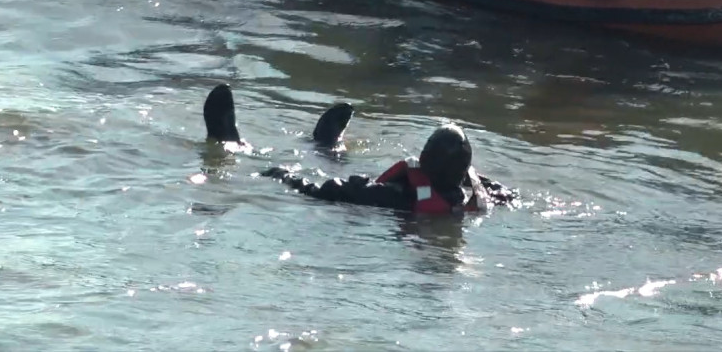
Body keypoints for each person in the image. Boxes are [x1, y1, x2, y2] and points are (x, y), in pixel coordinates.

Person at [202, 84, 515, 214]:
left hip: (349, 203)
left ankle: (232, 145)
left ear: (425, 158)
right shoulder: (471, 196)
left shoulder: (395, 196)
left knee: (292, 167)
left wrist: (284, 176)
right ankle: (326, 145)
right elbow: (504, 194)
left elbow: (333, 190)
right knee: (328, 158)